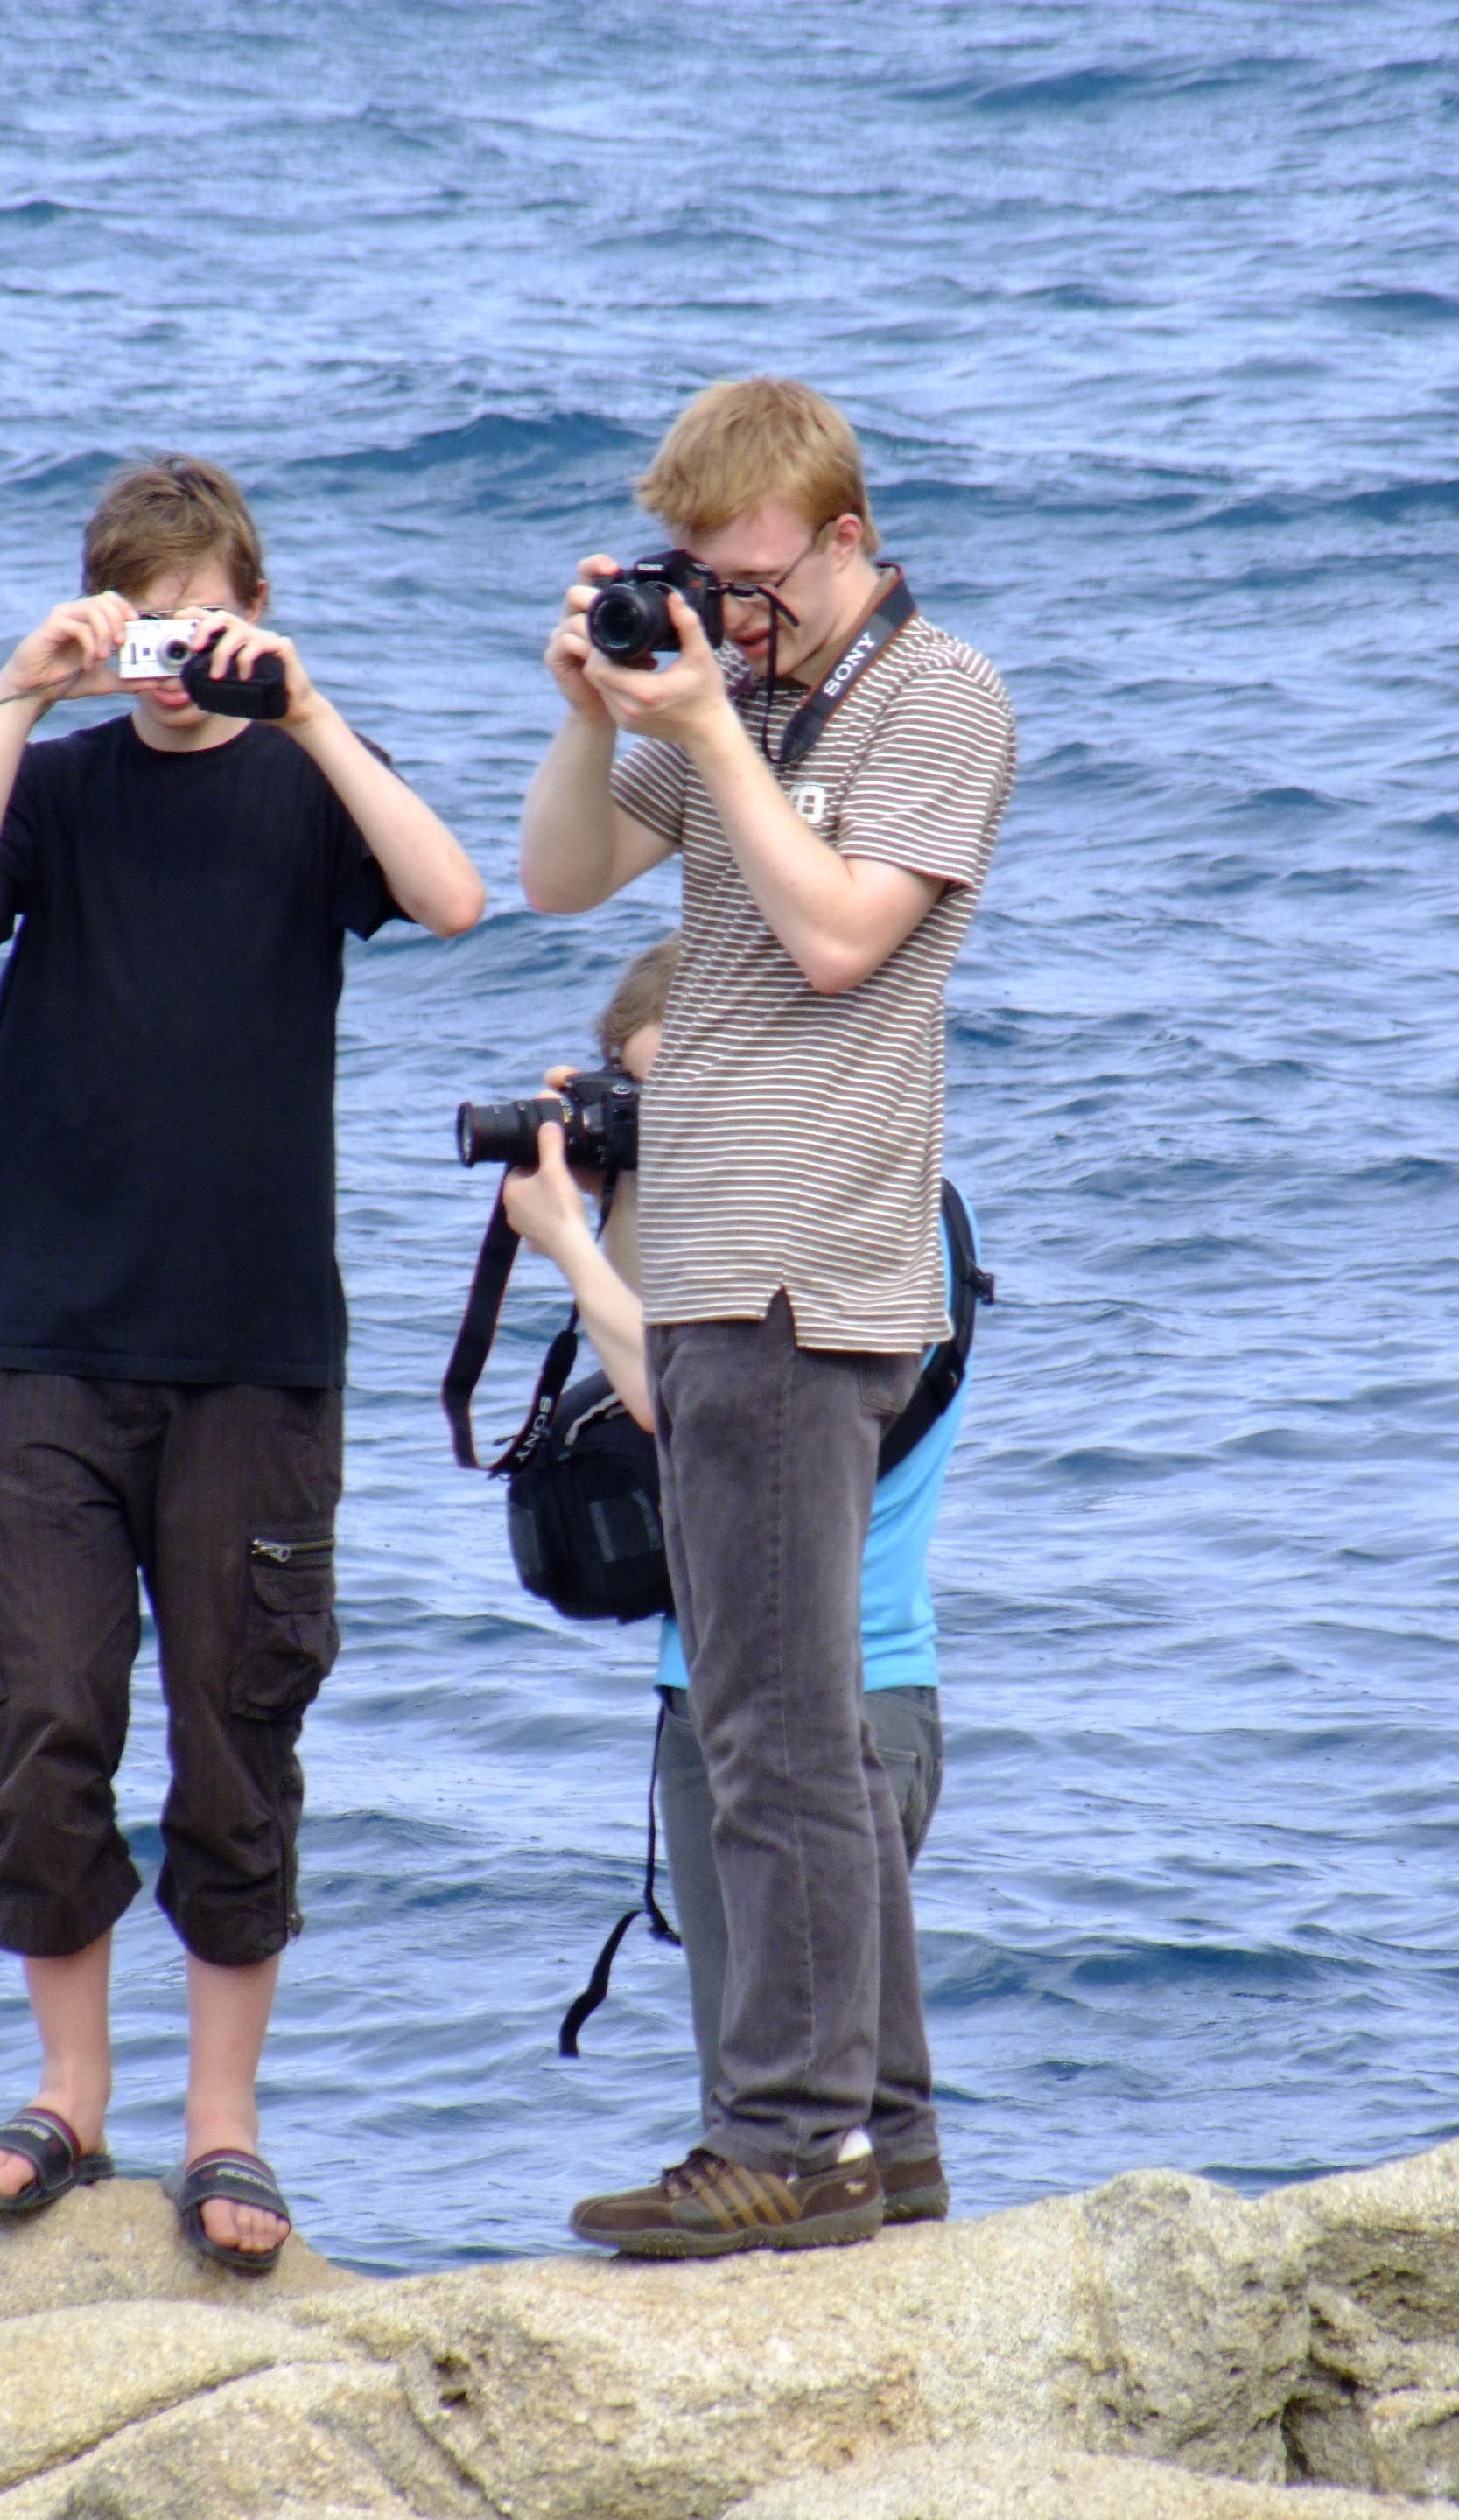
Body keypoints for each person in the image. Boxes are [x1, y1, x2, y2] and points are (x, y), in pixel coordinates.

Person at [0, 454, 483, 2267]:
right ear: (100, 619)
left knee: (240, 1731)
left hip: (253, 1342)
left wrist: (311, 709)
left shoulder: (307, 781)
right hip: (44, 1331)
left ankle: (225, 2128)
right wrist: (16, 697)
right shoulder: (60, 786)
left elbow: (456, 898)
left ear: (255, 611)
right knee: (38, 1709)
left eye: (202, 621)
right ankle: (70, 2094)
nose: (174, 658)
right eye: (143, 624)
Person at [517, 378, 1016, 2255]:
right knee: (788, 1724)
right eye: (700, 583)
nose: (732, 615)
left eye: (755, 581)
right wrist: (596, 711)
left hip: (807, 1266)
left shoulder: (934, 695)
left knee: (777, 1737)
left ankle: (790, 2141)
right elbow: (561, 878)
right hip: (715, 1262)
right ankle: (888, 2139)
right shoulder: (744, 692)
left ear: (845, 539)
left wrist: (715, 727)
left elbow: (837, 937)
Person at [500, 937, 972, 2214]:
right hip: (771, 1688)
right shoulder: (801, 1215)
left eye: (694, 1094)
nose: (681, 1128)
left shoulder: (856, 1230)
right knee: (833, 2093)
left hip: (832, 1692)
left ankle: (798, 2181)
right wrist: (614, 1192)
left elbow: (693, 1408)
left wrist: (573, 1250)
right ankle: (881, 2168)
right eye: (650, 1101)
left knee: (775, 2104)